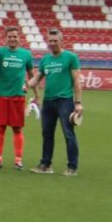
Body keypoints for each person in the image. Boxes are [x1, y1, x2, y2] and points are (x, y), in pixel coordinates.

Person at [27, 28, 83, 176]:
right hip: (48, 101)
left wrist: (78, 102)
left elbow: (77, 81)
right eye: (50, 41)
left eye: (55, 41)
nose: (52, 43)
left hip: (65, 101)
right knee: (47, 133)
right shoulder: (46, 59)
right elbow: (37, 78)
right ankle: (46, 165)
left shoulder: (71, 57)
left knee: (68, 134)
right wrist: (26, 84)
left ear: (61, 41)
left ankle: (72, 167)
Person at [0, 26, 39, 170]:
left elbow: (32, 75)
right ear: (5, 38)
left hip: (18, 96)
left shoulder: (26, 54)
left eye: (15, 36)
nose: (12, 39)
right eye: (9, 36)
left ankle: (18, 160)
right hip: (1, 95)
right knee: (0, 127)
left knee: (17, 129)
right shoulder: (0, 51)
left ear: (19, 38)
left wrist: (36, 94)